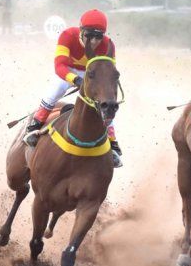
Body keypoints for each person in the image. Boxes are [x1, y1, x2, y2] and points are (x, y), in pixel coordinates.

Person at [23, 9, 123, 167]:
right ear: (81, 30)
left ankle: (112, 143)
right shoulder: (67, 35)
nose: (95, 41)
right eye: (90, 35)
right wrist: (75, 79)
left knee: (106, 101)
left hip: (92, 74)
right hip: (67, 71)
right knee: (56, 90)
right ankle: (34, 127)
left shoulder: (108, 44)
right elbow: (59, 65)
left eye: (99, 36)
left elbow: (107, 71)